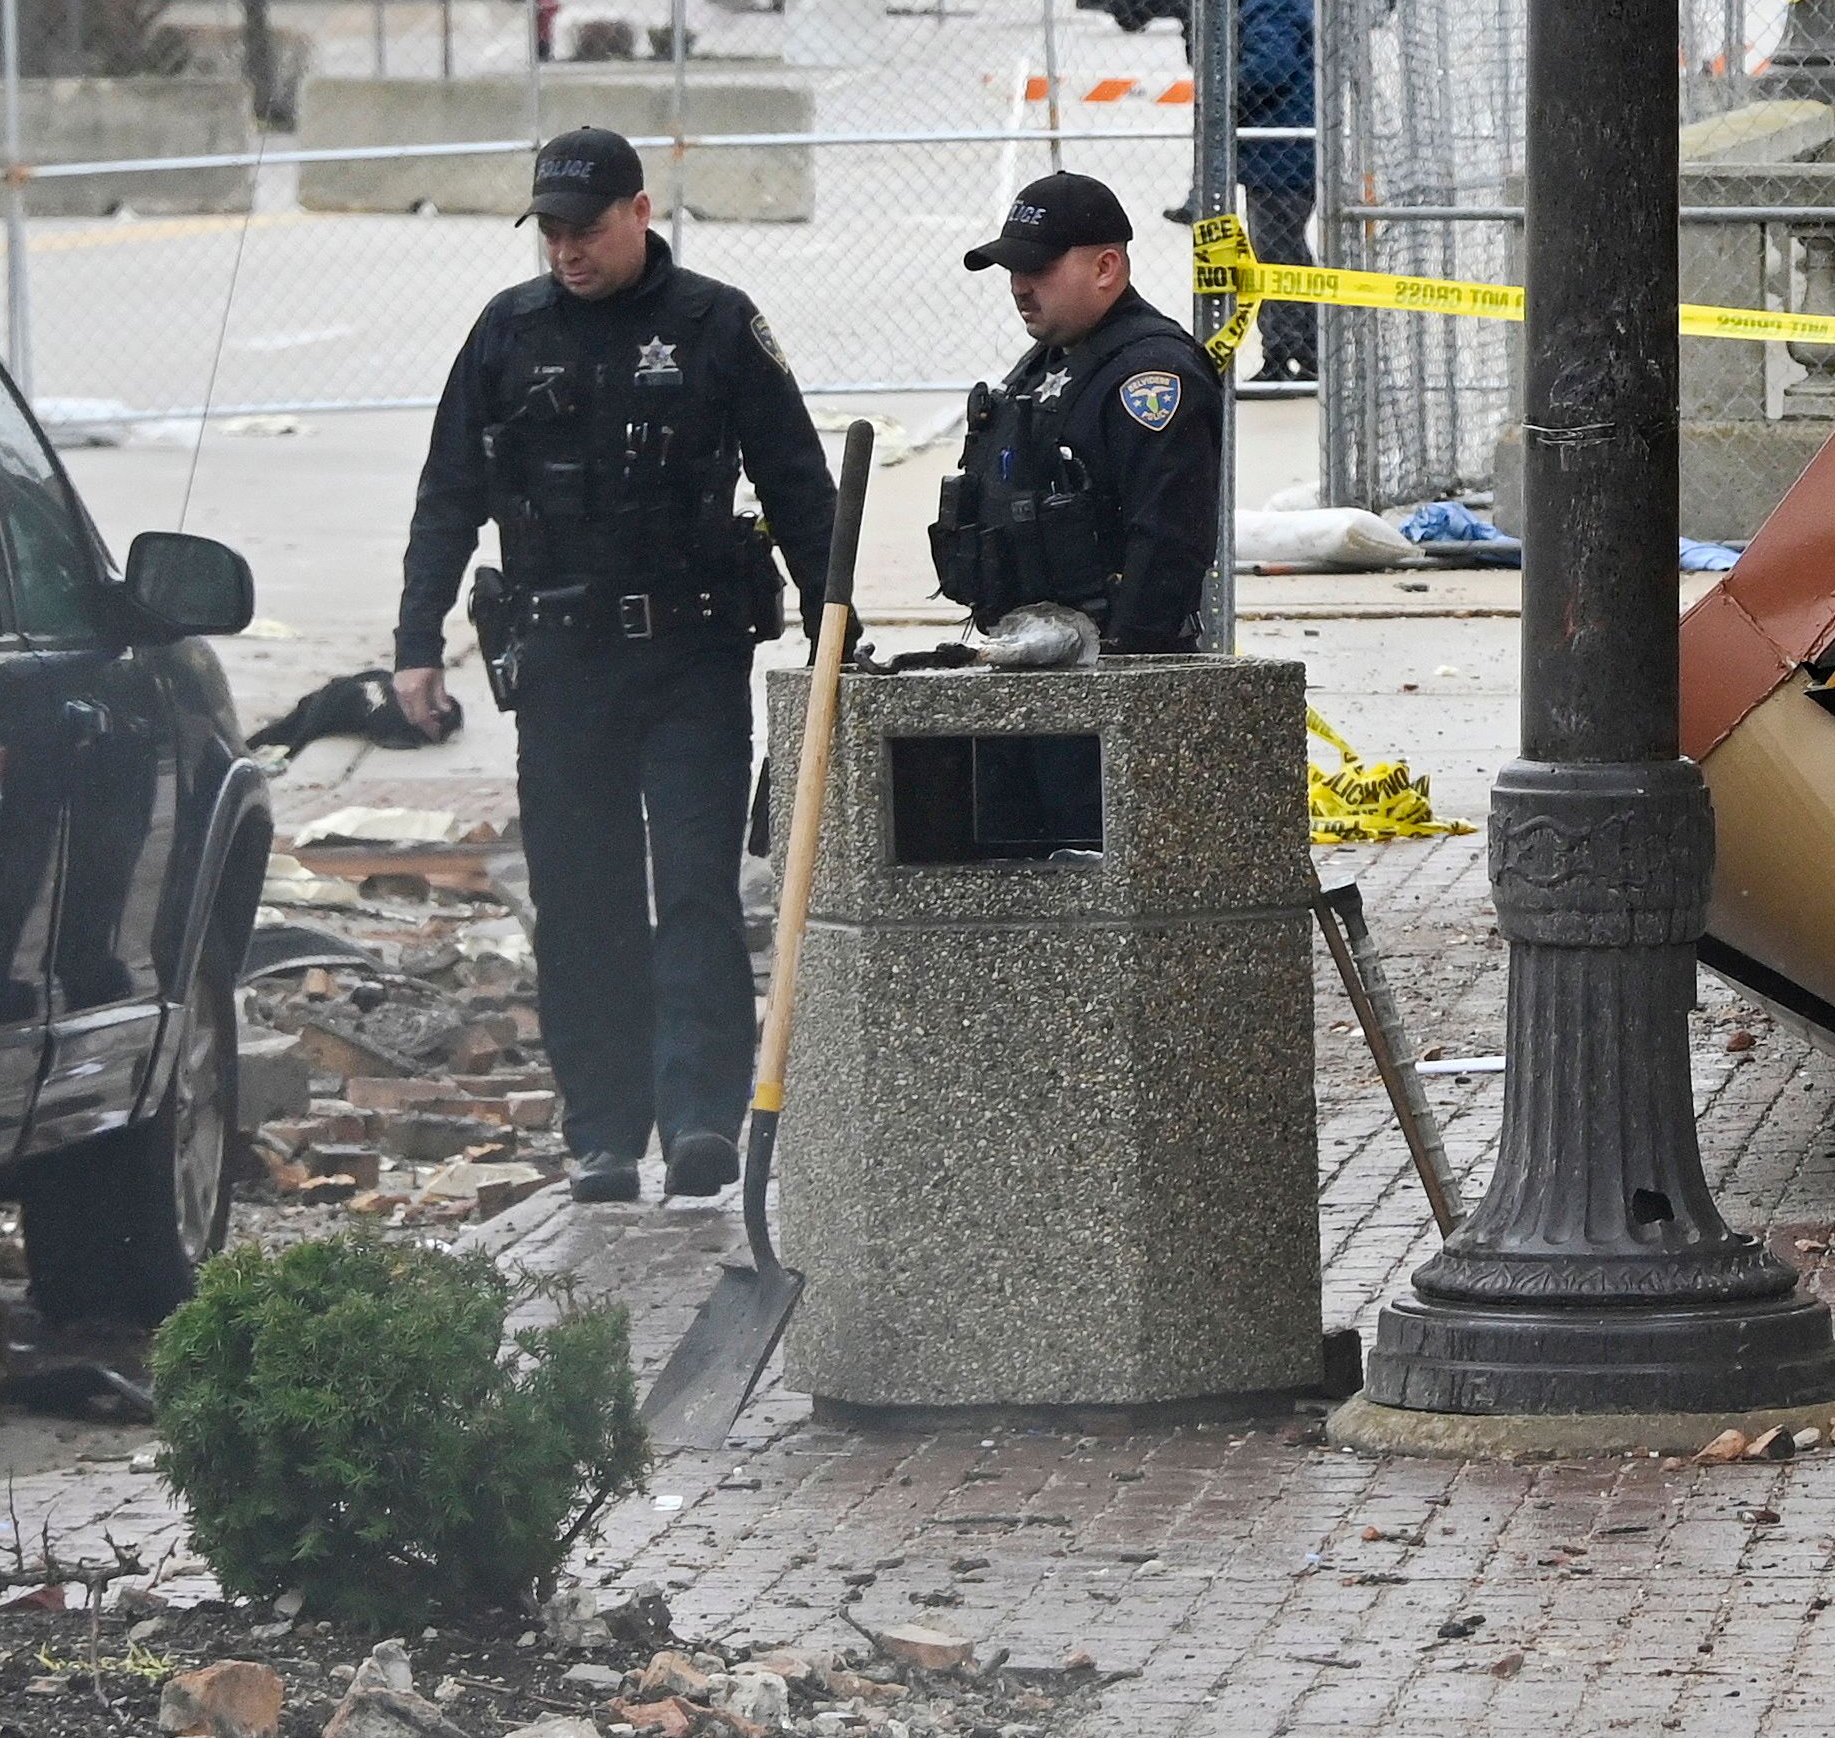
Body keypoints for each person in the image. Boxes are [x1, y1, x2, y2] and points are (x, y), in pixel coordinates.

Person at [391, 128, 836, 1208]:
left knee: (691, 890)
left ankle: (697, 1120)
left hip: (689, 656)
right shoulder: (509, 332)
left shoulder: (715, 326)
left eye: (584, 231)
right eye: (549, 233)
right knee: (580, 899)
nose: (565, 252)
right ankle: (601, 1131)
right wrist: (413, 644)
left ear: (640, 213)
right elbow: (448, 493)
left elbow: (797, 478)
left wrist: (836, 626)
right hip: (562, 665)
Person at [933, 170, 1225, 660]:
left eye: (1038, 269)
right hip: (1033, 650)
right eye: (1013, 270)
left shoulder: (1151, 375)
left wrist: (1120, 664)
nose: (1019, 288)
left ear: (1106, 268)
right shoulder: (1049, 361)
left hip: (1113, 666)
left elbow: (1168, 542)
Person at [1227, 0, 1318, 388]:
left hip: (1281, 153)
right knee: (1285, 252)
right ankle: (1307, 350)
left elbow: (1268, 69)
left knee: (1277, 255)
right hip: (1278, 152)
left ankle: (1287, 355)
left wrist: (1224, 88)